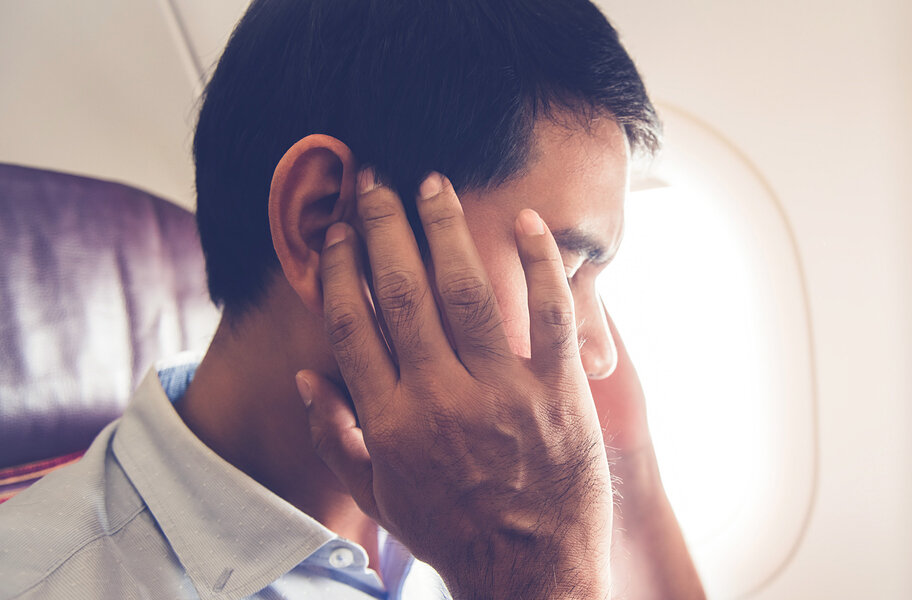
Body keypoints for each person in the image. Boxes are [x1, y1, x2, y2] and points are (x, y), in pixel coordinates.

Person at [0, 0, 705, 598]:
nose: (601, 351)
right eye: (559, 261)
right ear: (322, 221)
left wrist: (630, 470)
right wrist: (532, 577)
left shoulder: (480, 488)